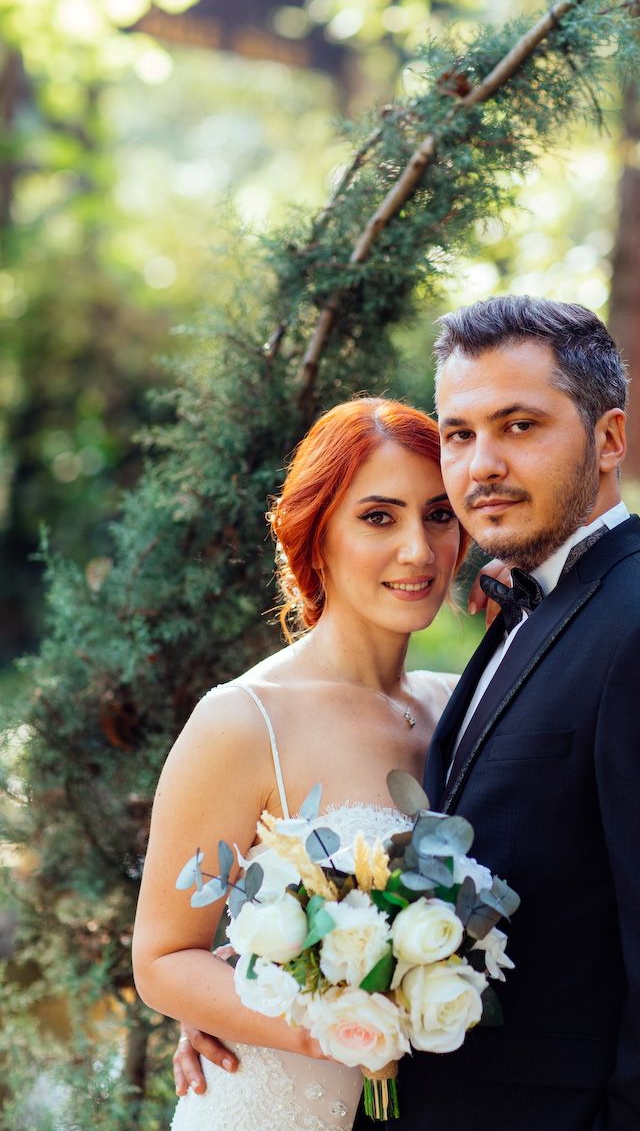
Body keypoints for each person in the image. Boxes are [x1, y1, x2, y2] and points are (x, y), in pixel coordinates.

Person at [175, 295, 640, 1131]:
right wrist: (265, 988)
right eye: (459, 434)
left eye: (519, 426)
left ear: (609, 439)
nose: (481, 465)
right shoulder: (525, 615)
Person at [132, 396, 469, 1131]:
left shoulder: (462, 705)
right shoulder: (244, 720)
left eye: (439, 515)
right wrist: (339, 1026)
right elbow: (161, 959)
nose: (418, 549)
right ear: (316, 539)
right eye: (378, 517)